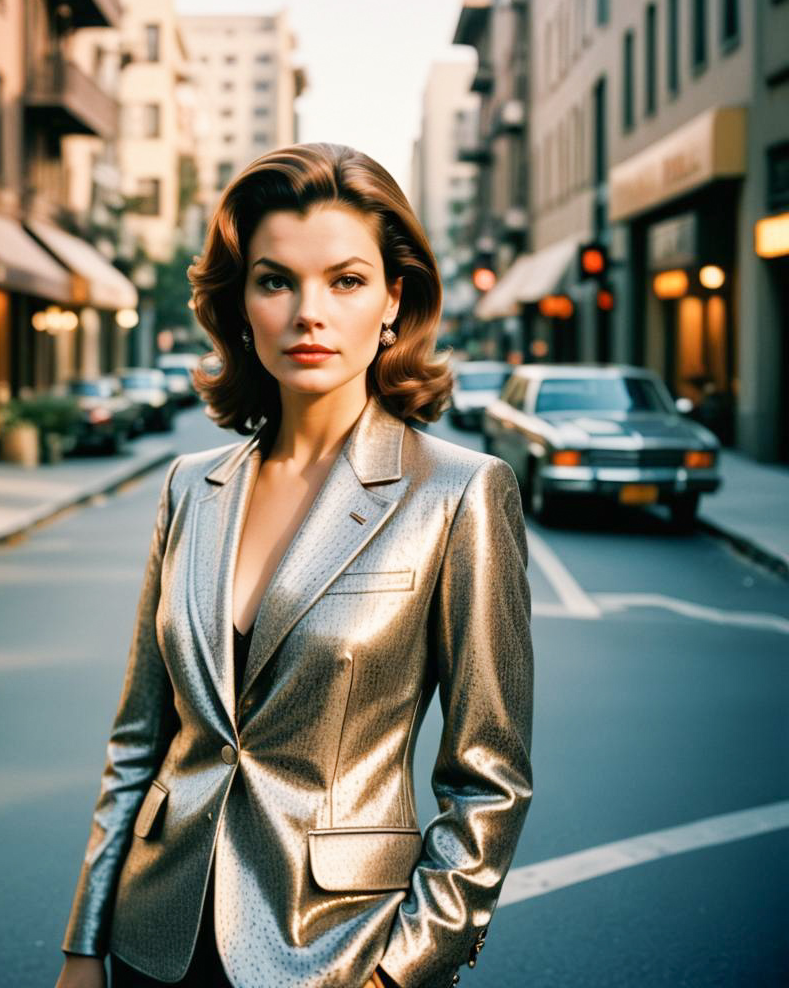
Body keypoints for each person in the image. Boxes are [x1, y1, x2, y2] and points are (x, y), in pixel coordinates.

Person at [55, 144, 533, 988]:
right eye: (276, 280)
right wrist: (84, 941)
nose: (308, 311)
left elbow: (487, 778)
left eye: (345, 281)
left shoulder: (458, 493)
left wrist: (406, 969)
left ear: (394, 299)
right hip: (153, 936)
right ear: (241, 304)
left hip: (335, 952)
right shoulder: (190, 489)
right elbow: (139, 741)